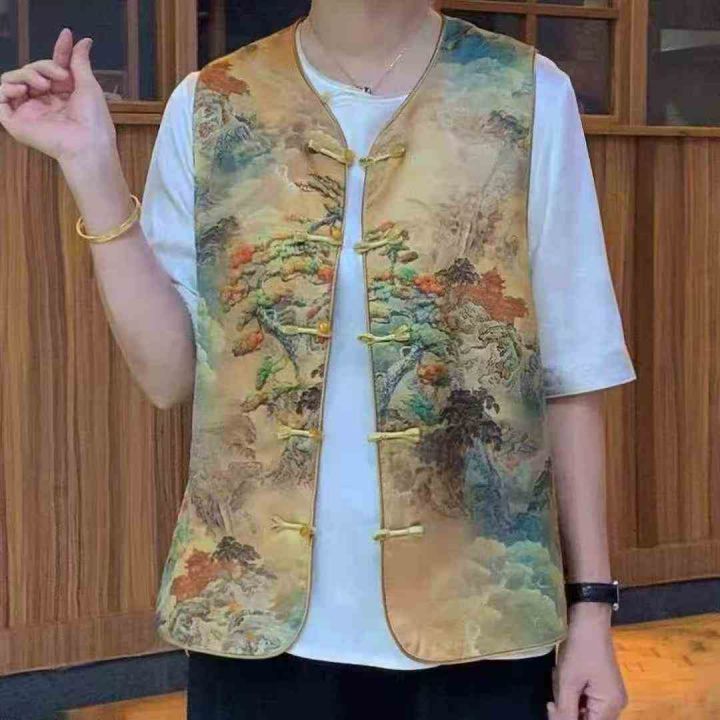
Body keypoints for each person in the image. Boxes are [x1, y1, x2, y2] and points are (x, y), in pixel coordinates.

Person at [0, 2, 634, 719]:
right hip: (255, 627)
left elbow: (573, 372)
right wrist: (91, 169)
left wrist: (592, 607)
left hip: (479, 625)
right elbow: (167, 376)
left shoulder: (526, 93)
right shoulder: (213, 102)